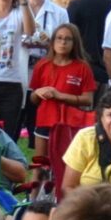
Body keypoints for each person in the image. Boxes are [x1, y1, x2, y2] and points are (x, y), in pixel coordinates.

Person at [27, 22, 96, 167]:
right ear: (52, 42)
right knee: (40, 164)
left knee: (66, 164)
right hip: (44, 120)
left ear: (74, 43)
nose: (63, 42)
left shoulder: (82, 67)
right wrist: (38, 93)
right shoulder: (42, 65)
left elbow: (88, 100)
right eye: (59, 38)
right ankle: (35, 190)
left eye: (67, 39)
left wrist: (59, 95)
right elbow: (33, 98)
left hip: (71, 123)